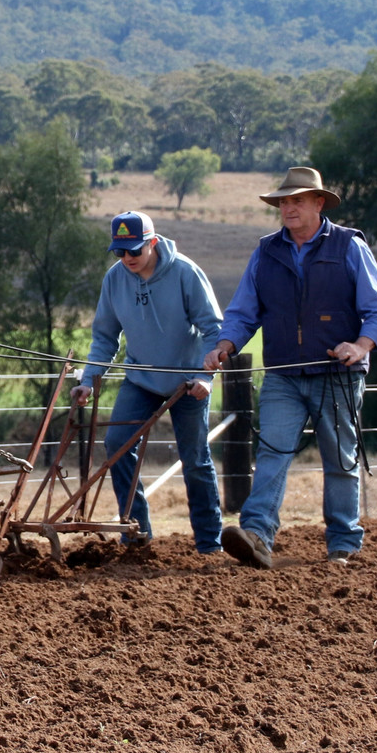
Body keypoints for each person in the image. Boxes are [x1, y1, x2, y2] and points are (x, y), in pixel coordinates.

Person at [203, 167, 377, 568]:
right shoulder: (266, 251)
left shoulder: (349, 247)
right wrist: (224, 344)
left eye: (297, 201)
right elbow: (243, 310)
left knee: (340, 460)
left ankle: (342, 544)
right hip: (283, 375)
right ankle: (256, 535)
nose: (288, 209)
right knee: (271, 453)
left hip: (338, 375)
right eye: (283, 202)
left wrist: (360, 345)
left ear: (319, 203)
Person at [72, 210, 224, 554]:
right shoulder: (114, 280)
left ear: (153, 243)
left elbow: (213, 330)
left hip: (187, 382)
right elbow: (105, 337)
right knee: (117, 445)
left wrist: (204, 376)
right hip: (140, 378)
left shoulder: (185, 273)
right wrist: (88, 380)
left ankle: (209, 544)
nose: (127, 259)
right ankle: (135, 536)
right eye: (120, 252)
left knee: (195, 459)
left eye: (135, 251)